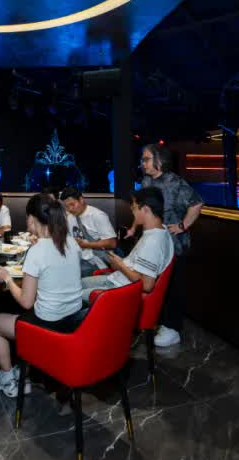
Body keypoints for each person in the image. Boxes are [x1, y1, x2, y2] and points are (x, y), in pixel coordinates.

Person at [0, 194, 85, 397]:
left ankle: (8, 378)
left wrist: (7, 279)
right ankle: (28, 371)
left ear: (32, 218)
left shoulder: (38, 251)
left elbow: (26, 301)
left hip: (47, 326)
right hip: (74, 322)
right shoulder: (71, 242)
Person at [130, 142, 203, 348]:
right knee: (155, 286)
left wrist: (182, 226)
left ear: (160, 160)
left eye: (146, 159)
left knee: (172, 288)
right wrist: (134, 227)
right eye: (142, 159)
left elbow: (196, 203)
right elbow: (140, 208)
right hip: (153, 243)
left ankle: (172, 328)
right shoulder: (146, 181)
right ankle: (158, 322)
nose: (143, 163)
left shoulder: (175, 183)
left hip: (174, 245)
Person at [80, 187, 174, 299]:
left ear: (145, 209)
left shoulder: (152, 242)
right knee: (77, 284)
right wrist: (121, 263)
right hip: (118, 280)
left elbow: (146, 285)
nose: (132, 211)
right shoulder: (162, 230)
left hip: (121, 288)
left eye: (134, 207)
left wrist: (120, 265)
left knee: (70, 296)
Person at [59, 186, 118, 276]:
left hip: (96, 262)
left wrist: (86, 245)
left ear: (81, 200)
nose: (70, 209)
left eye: (72, 204)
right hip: (79, 258)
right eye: (67, 207)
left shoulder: (97, 215)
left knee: (66, 274)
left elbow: (112, 243)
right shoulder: (70, 217)